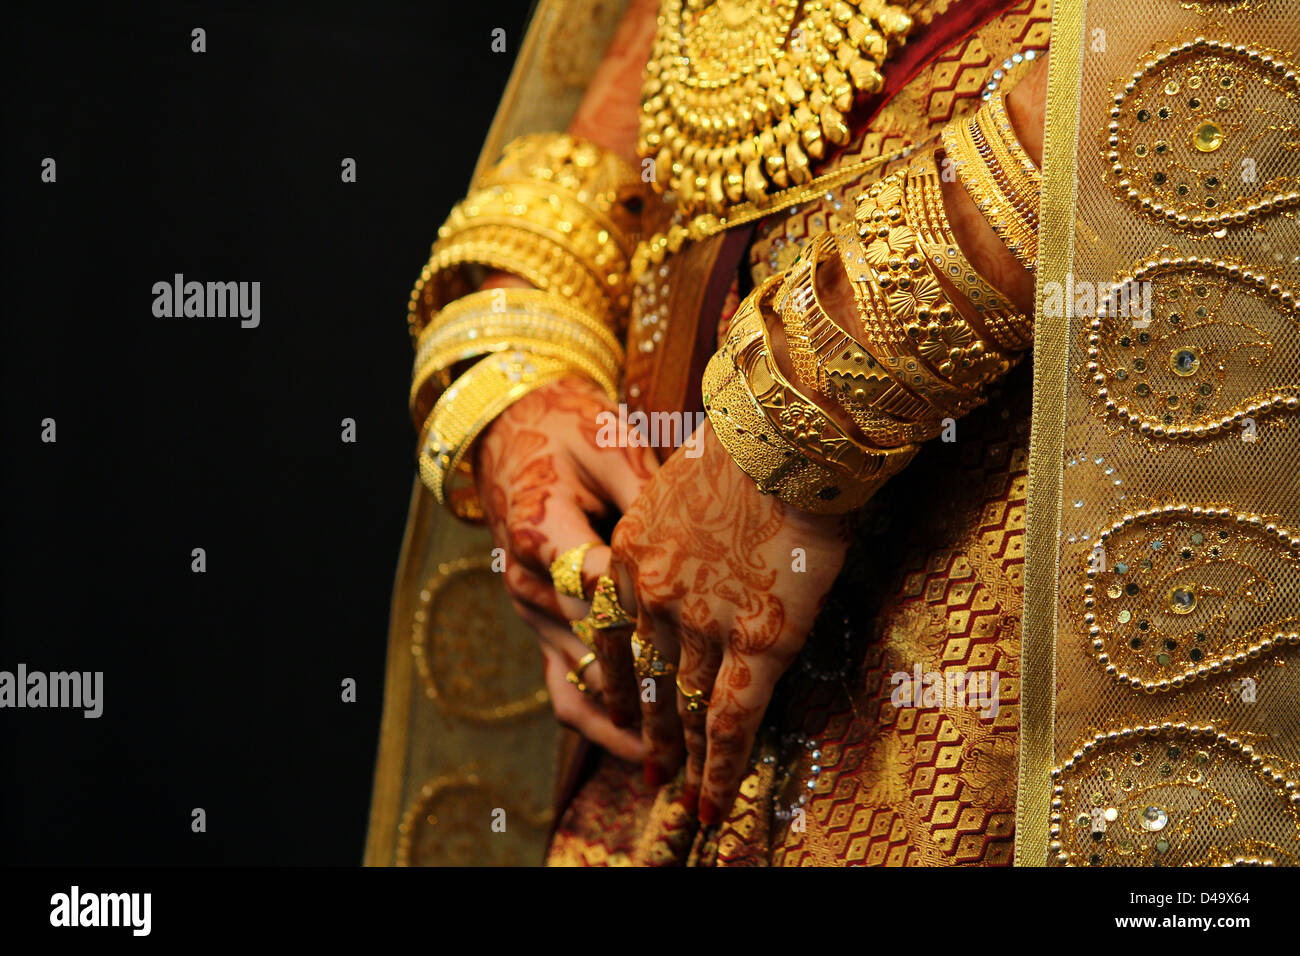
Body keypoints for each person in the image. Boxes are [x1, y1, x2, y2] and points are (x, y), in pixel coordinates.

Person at [367, 0, 1300, 867]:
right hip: (662, 658)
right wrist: (522, 353)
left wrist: (796, 413)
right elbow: (623, 95)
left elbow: (1219, 40)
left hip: (1017, 597)